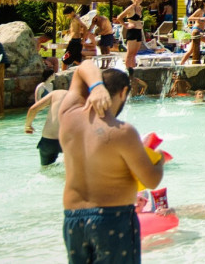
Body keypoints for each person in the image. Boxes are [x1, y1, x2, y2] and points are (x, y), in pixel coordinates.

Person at [58, 62, 164, 263]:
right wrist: (159, 159)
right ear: (123, 93)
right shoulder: (123, 132)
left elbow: (84, 67)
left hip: (73, 220)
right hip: (113, 218)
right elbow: (151, 181)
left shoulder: (68, 116)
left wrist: (95, 86)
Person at [25, 87, 68, 166]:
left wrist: (28, 126)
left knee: (45, 169)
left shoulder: (57, 93)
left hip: (48, 141)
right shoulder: (83, 96)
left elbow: (33, 109)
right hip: (68, 141)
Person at [116, 0, 147, 78]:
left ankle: (133, 71)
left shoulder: (140, 8)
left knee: (134, 53)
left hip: (138, 31)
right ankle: (127, 70)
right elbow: (119, 17)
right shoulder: (131, 8)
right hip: (132, 31)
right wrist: (126, 25)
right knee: (130, 53)